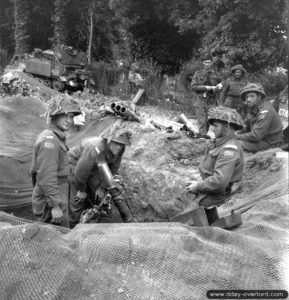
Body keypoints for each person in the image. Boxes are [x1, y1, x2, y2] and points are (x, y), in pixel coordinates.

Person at [68, 124, 135, 228]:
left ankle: (90, 218)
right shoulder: (96, 147)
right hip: (75, 164)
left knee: (95, 194)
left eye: (122, 144)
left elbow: (113, 169)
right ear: (109, 140)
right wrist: (81, 190)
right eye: (116, 143)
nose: (118, 146)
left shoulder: (119, 150)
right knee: (78, 199)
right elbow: (81, 170)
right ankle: (73, 226)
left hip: (95, 165)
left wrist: (102, 188)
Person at [30, 96, 81, 227]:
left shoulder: (56, 137)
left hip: (56, 195)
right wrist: (55, 206)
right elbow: (46, 177)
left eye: (71, 117)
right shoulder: (50, 141)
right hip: (50, 201)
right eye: (65, 116)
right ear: (54, 116)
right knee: (54, 240)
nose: (69, 120)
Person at [185, 106, 244, 208]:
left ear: (227, 128)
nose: (211, 128)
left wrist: (198, 186)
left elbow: (219, 182)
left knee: (182, 221)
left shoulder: (229, 150)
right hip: (207, 190)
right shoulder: (218, 143)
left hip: (215, 198)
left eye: (216, 126)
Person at [235, 83, 283, 153]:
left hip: (270, 144)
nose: (248, 99)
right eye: (247, 97)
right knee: (229, 140)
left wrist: (235, 137)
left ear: (259, 97)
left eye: (252, 96)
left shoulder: (265, 111)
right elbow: (247, 127)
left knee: (234, 144)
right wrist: (235, 133)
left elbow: (255, 136)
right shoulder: (253, 108)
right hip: (261, 140)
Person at [191, 57, 223, 137]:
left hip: (212, 100)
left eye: (209, 62)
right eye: (206, 62)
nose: (207, 64)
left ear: (211, 63)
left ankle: (204, 136)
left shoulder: (216, 74)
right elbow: (193, 86)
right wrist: (206, 87)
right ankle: (202, 137)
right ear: (203, 63)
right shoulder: (198, 74)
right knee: (202, 121)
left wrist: (218, 87)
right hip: (200, 100)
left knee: (209, 120)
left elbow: (223, 83)